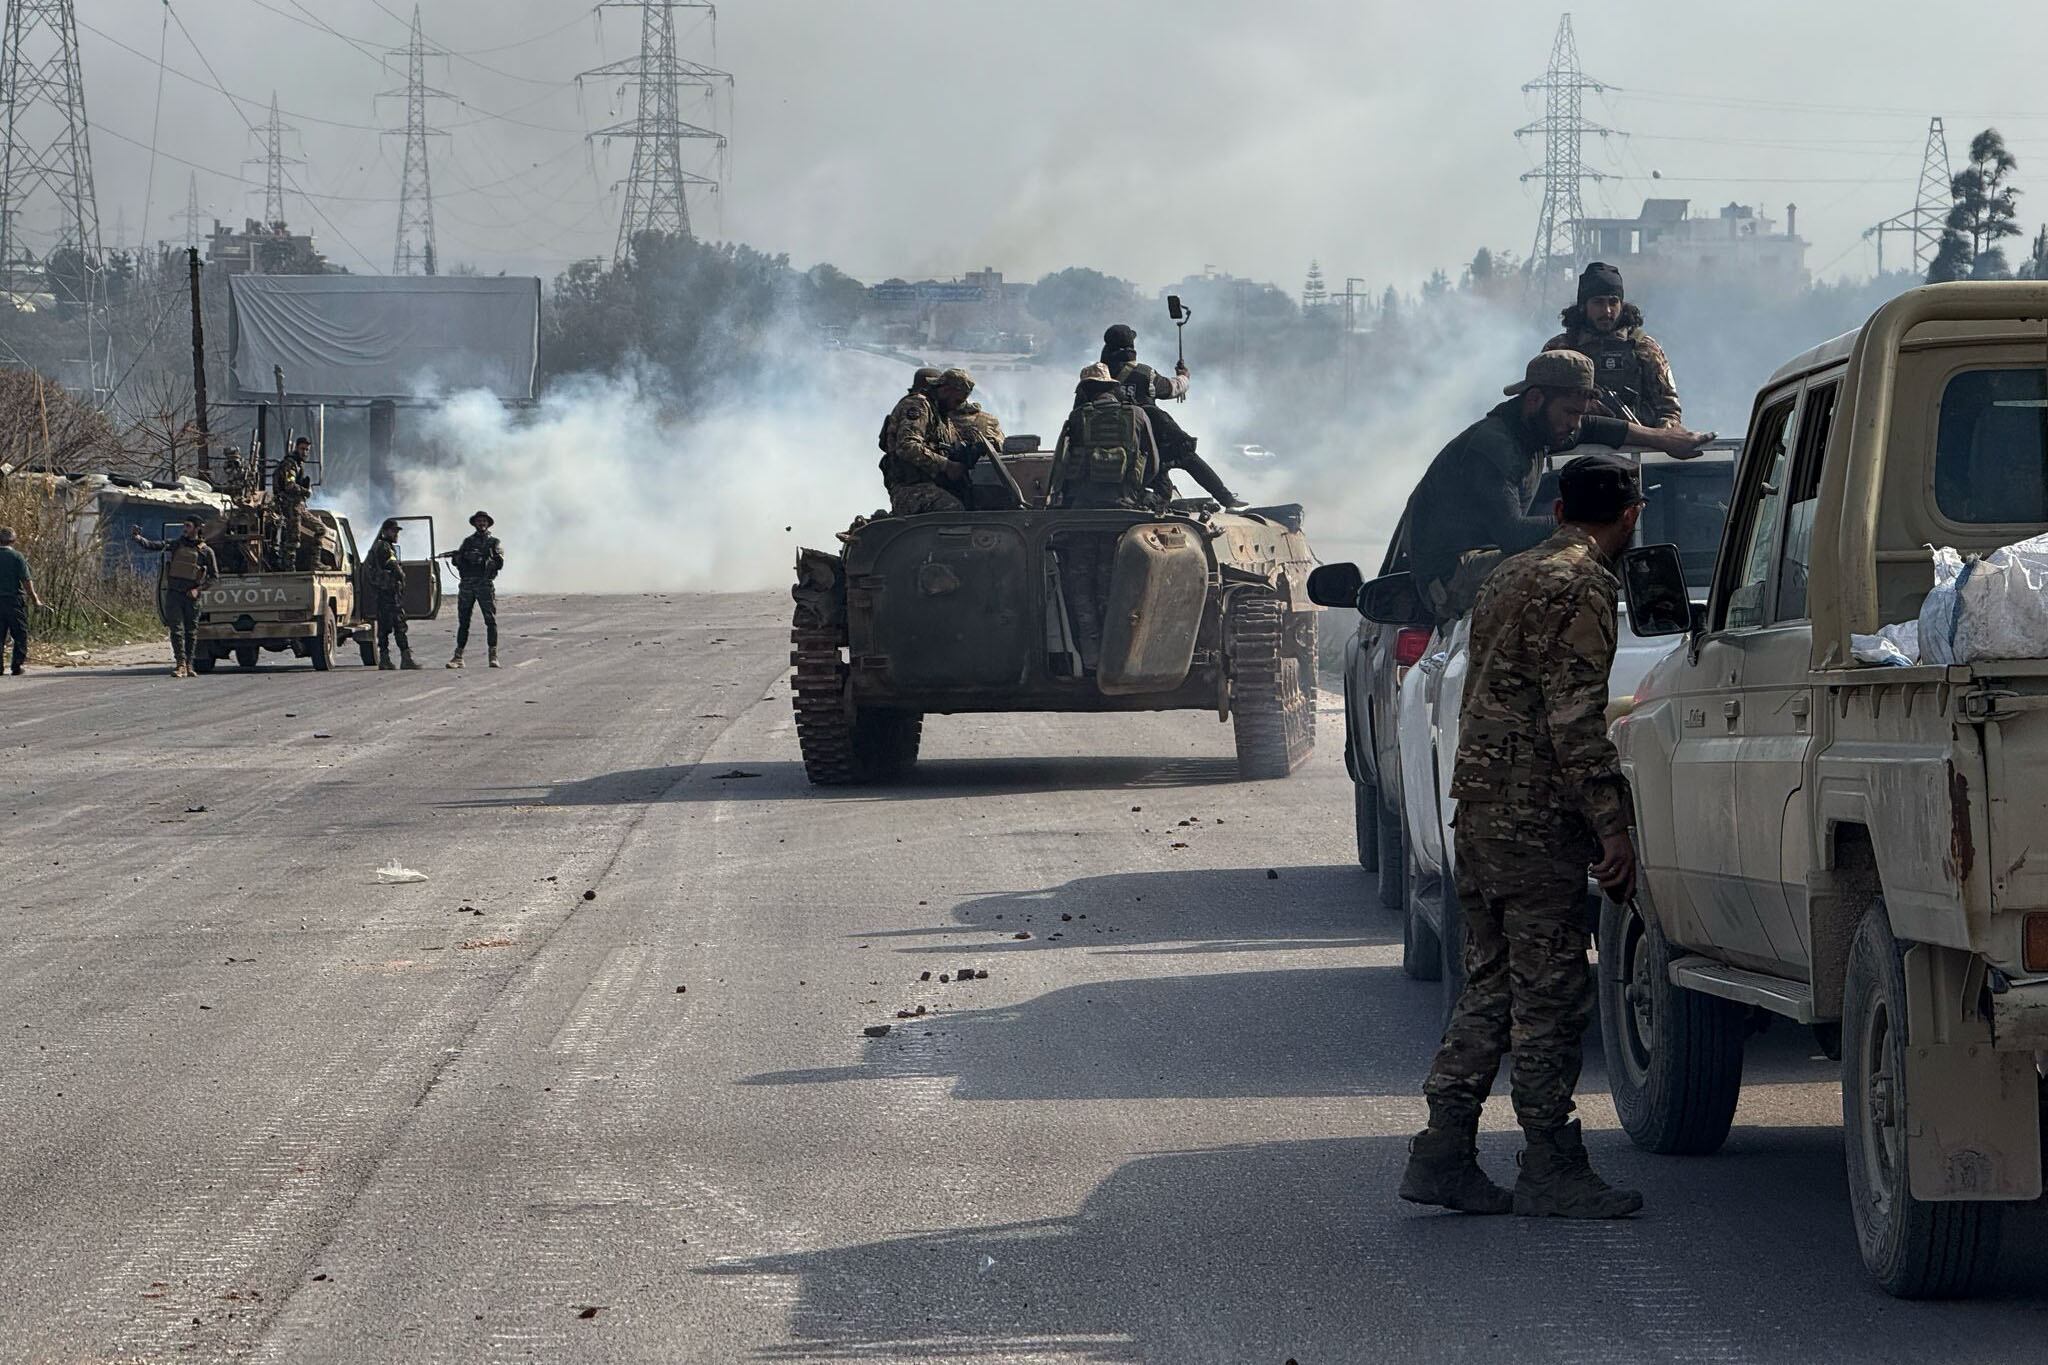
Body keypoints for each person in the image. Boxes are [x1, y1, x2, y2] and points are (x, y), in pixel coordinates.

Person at [1400, 453, 1650, 1221]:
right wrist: (1612, 822)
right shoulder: (1584, 586)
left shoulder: (1509, 575)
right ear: (1631, 515)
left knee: (1493, 983)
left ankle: (1443, 1149)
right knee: (1551, 995)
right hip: (1535, 820)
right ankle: (1551, 1163)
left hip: (1479, 812)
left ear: (1556, 509)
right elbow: (1574, 721)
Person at [1405, 350, 1713, 622]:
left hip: (1490, 561)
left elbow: (1594, 428)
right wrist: (1595, 519)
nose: (1574, 424)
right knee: (1570, 560)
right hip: (1452, 577)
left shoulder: (1538, 427)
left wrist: (1662, 438)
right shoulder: (1494, 447)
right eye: (1569, 412)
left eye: (1579, 413)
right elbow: (1512, 534)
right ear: (1535, 399)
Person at [1049, 363, 1162, 673]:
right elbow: (1151, 463)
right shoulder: (1137, 414)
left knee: (1081, 584)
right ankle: (1122, 657)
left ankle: (1091, 656)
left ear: (1085, 389)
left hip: (1082, 515)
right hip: (1123, 513)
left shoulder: (1077, 417)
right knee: (1119, 584)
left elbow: (1061, 467)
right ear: (1111, 387)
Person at [1097, 322, 1244, 508]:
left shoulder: (1096, 377)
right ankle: (1227, 500)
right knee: (1186, 455)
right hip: (1148, 445)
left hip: (1106, 448)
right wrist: (1184, 377)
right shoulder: (1144, 374)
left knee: (1162, 483)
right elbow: (1170, 389)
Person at [1543, 262, 1683, 428]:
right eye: (1598, 302)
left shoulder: (1644, 348)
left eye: (1613, 302)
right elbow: (1540, 404)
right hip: (1574, 446)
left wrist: (1659, 433)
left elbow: (1670, 410)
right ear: (1583, 306)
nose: (1607, 311)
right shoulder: (1560, 349)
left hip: (1637, 448)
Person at [880, 368, 979, 515]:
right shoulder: (918, 405)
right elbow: (907, 446)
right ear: (945, 390)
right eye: (957, 401)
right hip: (910, 488)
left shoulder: (940, 412)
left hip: (934, 485)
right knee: (952, 509)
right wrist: (947, 466)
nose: (957, 406)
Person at [131, 516, 220, 678]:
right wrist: (138, 539)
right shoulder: (176, 544)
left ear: (197, 528)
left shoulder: (206, 551)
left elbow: (214, 577)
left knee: (191, 632)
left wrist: (198, 590)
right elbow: (154, 546)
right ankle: (180, 664)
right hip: (174, 595)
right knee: (176, 631)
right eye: (184, 525)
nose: (184, 529)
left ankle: (189, 665)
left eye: (188, 526)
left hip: (191, 596)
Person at [441, 510, 505, 669]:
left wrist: (485, 559)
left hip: (484, 584)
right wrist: (460, 558)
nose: (481, 523)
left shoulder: (494, 543)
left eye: (484, 521)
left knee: (490, 620)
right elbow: (459, 561)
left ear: (488, 523)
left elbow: (499, 563)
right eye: (479, 521)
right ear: (475, 524)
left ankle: (493, 656)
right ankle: (458, 657)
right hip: (467, 585)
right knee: (463, 621)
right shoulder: (468, 542)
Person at [363, 518, 421, 671]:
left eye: (396, 531)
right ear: (385, 531)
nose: (396, 534)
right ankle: (405, 658)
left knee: (384, 626)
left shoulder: (378, 546)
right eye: (393, 531)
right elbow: (393, 565)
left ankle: (385, 658)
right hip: (389, 592)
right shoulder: (384, 547)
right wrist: (401, 575)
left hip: (382, 592)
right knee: (399, 625)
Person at [0, 526, 43, 676]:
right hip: (13, 601)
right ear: (13, 540)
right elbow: (26, 580)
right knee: (20, 633)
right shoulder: (17, 557)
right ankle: (16, 666)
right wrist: (35, 599)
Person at [273, 437, 314, 569]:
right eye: (302, 449)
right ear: (296, 448)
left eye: (307, 450)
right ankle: (289, 568)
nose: (305, 452)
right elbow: (290, 485)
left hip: (295, 505)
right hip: (290, 505)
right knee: (292, 540)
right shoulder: (291, 464)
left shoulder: (298, 464)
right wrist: (305, 491)